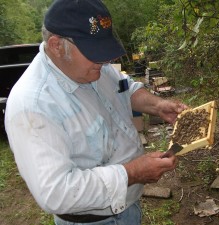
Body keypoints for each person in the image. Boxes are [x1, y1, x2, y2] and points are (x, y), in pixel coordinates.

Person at [5, 0, 188, 224]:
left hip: (127, 208)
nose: (105, 60)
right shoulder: (32, 105)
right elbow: (56, 193)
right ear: (56, 46)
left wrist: (158, 106)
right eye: (94, 52)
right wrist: (132, 173)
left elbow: (125, 88)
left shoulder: (92, 65)